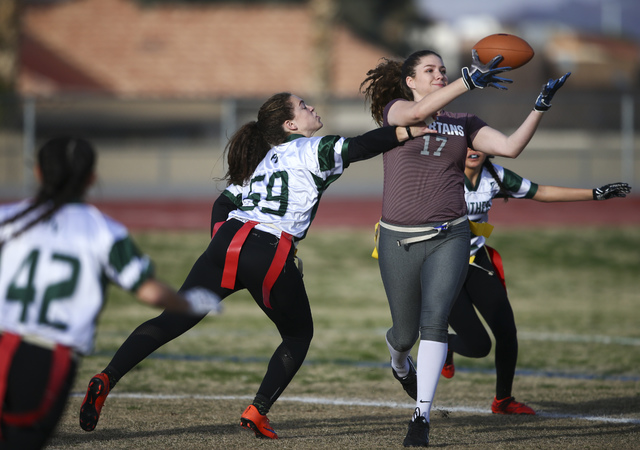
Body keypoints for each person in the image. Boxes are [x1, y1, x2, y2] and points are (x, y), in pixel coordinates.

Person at [78, 92, 433, 440]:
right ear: (290, 123)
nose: (312, 107)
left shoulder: (264, 159)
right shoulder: (309, 149)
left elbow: (223, 203)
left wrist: (223, 244)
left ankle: (107, 377)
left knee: (170, 320)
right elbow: (360, 146)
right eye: (304, 106)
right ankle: (257, 410)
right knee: (298, 335)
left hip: (228, 239)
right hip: (269, 248)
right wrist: (407, 132)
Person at [360, 48, 570, 447]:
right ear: (410, 81)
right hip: (398, 238)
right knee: (405, 335)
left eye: (443, 69)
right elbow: (418, 116)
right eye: (429, 70)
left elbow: (509, 148)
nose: (439, 74)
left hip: (451, 233)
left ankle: (420, 417)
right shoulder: (397, 109)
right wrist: (467, 82)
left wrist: (538, 107)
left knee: (435, 323)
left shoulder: (464, 121)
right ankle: (398, 360)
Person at [0, 137, 222, 450]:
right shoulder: (103, 231)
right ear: (92, 178)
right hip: (45, 358)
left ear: (37, 172)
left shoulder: (7, 218)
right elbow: (149, 291)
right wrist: (188, 302)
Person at [441, 147, 631, 415]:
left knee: (507, 332)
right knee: (478, 346)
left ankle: (503, 401)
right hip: (443, 269)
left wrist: (594, 194)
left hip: (477, 263)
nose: (474, 150)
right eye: (468, 143)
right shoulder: (440, 175)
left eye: (481, 144)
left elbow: (541, 192)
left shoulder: (494, 176)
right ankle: (445, 345)